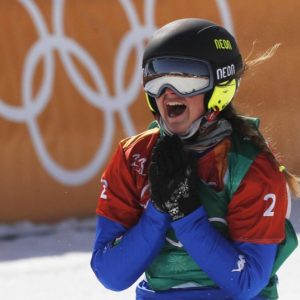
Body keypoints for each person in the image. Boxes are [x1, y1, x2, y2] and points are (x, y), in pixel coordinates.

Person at [91, 18, 299, 300]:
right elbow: (111, 275)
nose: (168, 93)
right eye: (156, 79)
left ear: (219, 88)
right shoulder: (133, 158)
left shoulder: (250, 166)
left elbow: (247, 282)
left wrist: (185, 212)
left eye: (185, 79)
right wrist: (159, 209)